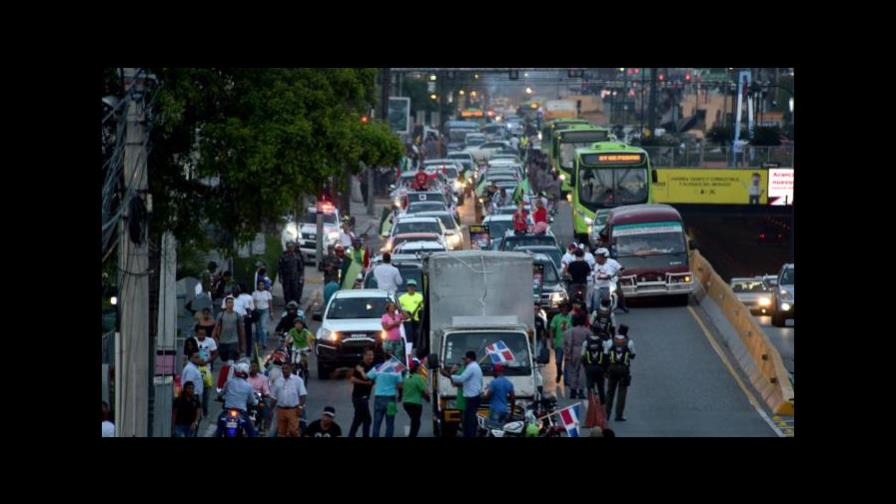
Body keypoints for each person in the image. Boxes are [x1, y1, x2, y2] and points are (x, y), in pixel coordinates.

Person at [441, 351, 483, 438]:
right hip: (473, 396)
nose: (464, 361)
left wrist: (448, 375)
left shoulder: (471, 367)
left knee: (469, 421)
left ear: (469, 358)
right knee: (469, 420)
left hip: (472, 397)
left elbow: (461, 379)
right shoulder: (475, 366)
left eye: (465, 359)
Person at [216, 362, 258, 437]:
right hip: (241, 413)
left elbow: (220, 393)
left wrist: (219, 397)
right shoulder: (248, 386)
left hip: (227, 411)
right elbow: (253, 401)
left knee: (219, 428)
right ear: (246, 372)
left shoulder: (229, 382)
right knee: (251, 432)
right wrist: (256, 401)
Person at [604, 326, 635, 422]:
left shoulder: (610, 341)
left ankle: (606, 414)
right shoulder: (629, 342)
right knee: (622, 392)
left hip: (612, 369)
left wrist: (606, 371)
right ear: (626, 332)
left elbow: (605, 355)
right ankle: (619, 415)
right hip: (624, 370)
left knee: (610, 392)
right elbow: (633, 355)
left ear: (618, 331)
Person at [368, 358, 404, 438]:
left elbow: (369, 376)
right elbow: (400, 385)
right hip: (391, 399)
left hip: (379, 398)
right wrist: (400, 396)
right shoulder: (396, 369)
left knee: (377, 423)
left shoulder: (378, 367)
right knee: (390, 423)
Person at [270, 361, 307, 437]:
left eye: (286, 368)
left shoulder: (298, 380)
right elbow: (274, 397)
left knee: (293, 431)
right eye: (283, 369)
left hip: (293, 410)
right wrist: (270, 410)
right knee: (281, 432)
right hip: (280, 410)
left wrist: (300, 407)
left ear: (291, 369)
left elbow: (303, 395)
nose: (284, 370)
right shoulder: (277, 381)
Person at [348, 348, 376, 437]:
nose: (371, 357)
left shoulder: (371, 366)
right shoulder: (360, 366)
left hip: (364, 397)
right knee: (367, 419)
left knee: (358, 418)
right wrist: (365, 383)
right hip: (359, 397)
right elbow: (352, 379)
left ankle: (351, 435)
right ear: (364, 356)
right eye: (368, 355)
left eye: (372, 355)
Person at [590, 247, 628, 313]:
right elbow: (593, 272)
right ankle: (593, 309)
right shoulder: (596, 263)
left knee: (620, 293)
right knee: (594, 295)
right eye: (597, 255)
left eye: (600, 255)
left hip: (613, 280)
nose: (598, 257)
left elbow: (621, 268)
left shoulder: (613, 262)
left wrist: (620, 272)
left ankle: (623, 305)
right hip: (600, 283)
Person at [563, 312, 591, 399]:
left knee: (573, 371)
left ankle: (573, 391)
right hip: (584, 351)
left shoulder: (571, 331)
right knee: (582, 372)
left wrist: (567, 354)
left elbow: (568, 343)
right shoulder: (587, 331)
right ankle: (581, 391)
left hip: (574, 351)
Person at [212, 296, 245, 362]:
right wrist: (212, 340)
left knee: (231, 360)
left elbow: (241, 330)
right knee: (224, 359)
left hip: (234, 341)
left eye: (231, 302)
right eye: (228, 302)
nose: (230, 304)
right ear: (226, 304)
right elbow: (216, 328)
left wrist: (243, 344)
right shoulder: (221, 315)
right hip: (223, 341)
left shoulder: (237, 315)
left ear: (233, 304)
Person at [401, 360, 429, 437]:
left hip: (406, 403)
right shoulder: (418, 378)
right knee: (416, 422)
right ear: (416, 368)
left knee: (414, 421)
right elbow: (425, 391)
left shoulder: (406, 377)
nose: (420, 368)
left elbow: (401, 387)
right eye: (419, 366)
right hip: (416, 404)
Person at [582, 328, 608, 405]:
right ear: (599, 332)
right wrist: (605, 370)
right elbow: (606, 356)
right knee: (601, 387)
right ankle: (602, 403)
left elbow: (582, 356)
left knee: (590, 386)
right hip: (600, 368)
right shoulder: (603, 342)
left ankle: (591, 403)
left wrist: (586, 366)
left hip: (590, 367)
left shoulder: (586, 342)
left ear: (592, 331)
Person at [549, 302, 572, 385]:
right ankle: (559, 372)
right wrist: (552, 340)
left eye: (567, 309)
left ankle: (566, 380)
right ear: (561, 309)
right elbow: (552, 329)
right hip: (558, 343)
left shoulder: (571, 318)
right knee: (558, 361)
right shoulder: (556, 318)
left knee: (567, 363)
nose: (565, 310)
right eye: (563, 308)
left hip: (568, 345)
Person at [247, 360, 272, 433]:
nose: (253, 368)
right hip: (246, 399)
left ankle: (264, 430)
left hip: (259, 399)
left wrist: (267, 394)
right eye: (251, 366)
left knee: (267, 413)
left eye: (255, 366)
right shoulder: (245, 377)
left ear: (258, 368)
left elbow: (266, 390)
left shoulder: (263, 378)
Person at [399, 280, 424, 351]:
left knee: (418, 337)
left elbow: (423, 307)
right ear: (407, 287)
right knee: (408, 338)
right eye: (409, 286)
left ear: (415, 287)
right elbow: (399, 309)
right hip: (407, 321)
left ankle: (416, 351)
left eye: (413, 286)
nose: (411, 287)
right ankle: (409, 352)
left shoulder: (420, 297)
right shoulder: (401, 298)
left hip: (418, 321)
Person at [278, 241, 305, 306]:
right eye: (289, 247)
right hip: (286, 278)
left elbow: (301, 268)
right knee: (287, 291)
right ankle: (287, 303)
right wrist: (280, 277)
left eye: (292, 247)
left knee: (295, 291)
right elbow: (280, 268)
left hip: (295, 278)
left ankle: (295, 304)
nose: (290, 249)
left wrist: (301, 277)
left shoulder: (297, 257)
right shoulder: (283, 257)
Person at [252, 280, 274, 350]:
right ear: (258, 286)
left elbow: (270, 303)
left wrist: (271, 312)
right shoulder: (255, 293)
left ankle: (264, 343)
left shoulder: (267, 293)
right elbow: (254, 303)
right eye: (260, 285)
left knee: (263, 327)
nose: (261, 286)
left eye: (262, 285)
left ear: (264, 286)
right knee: (258, 328)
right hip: (257, 311)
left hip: (265, 311)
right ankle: (257, 343)